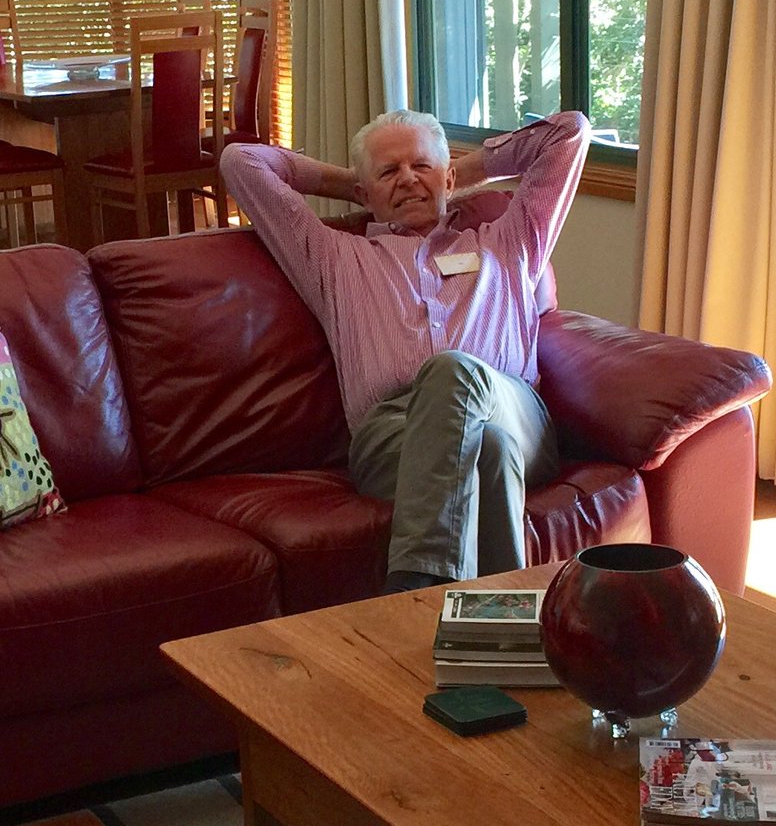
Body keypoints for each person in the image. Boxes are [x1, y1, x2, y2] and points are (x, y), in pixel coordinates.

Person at [219, 107, 591, 593]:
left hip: (510, 409)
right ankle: (505, 620)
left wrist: (453, 174)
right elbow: (241, 161)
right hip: (393, 435)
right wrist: (357, 182)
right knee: (490, 450)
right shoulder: (333, 258)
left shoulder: (510, 242)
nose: (408, 179)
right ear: (362, 193)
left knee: (454, 374)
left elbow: (568, 133)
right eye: (389, 172)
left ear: (449, 177)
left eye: (421, 166)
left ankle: (413, 591)